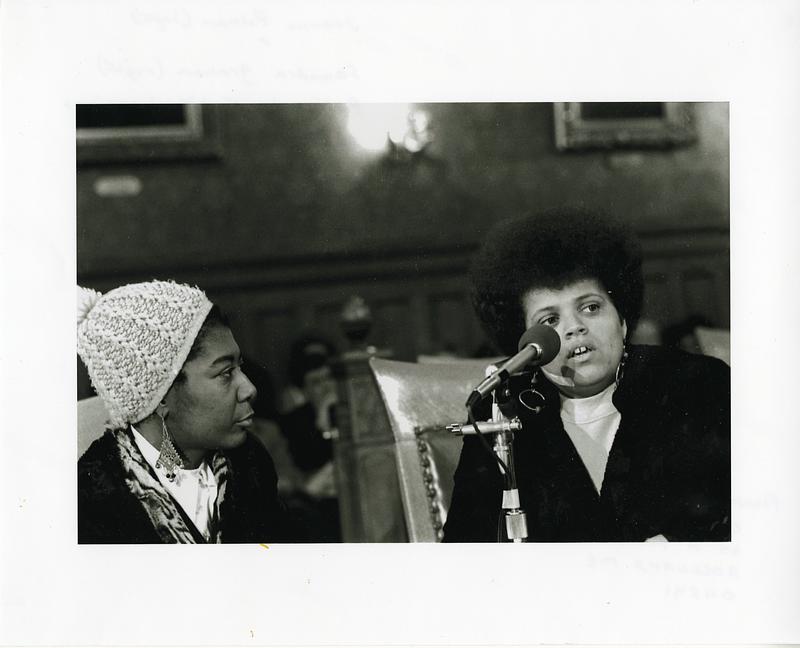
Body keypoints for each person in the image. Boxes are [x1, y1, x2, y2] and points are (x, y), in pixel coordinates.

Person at [443, 207, 730, 542]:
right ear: (525, 345)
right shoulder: (501, 409)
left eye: (590, 307)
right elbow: (464, 545)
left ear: (622, 319)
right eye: (549, 321)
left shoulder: (694, 383)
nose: (575, 327)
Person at [77, 280, 293, 543]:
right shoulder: (94, 502)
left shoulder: (248, 463)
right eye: (225, 373)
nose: (249, 388)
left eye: (240, 367)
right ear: (161, 398)